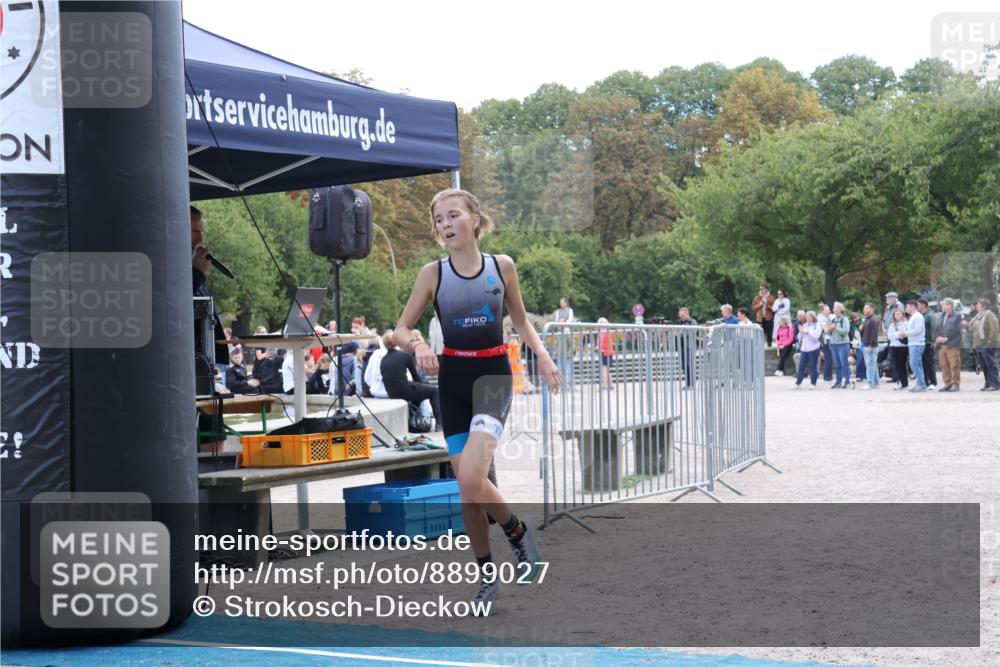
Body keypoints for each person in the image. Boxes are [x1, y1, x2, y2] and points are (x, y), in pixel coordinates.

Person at [392, 188, 559, 614]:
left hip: (492, 377)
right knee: (469, 491)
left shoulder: (501, 267)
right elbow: (399, 329)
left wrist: (542, 356)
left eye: (453, 216)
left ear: (474, 219)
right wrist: (416, 346)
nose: (445, 225)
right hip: (452, 380)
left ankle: (517, 532)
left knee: (469, 479)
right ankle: (487, 578)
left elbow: (519, 319)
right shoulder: (433, 274)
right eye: (439, 220)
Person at [378, 330, 443, 428]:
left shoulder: (383, 359)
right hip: (404, 390)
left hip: (392, 392)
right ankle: (440, 424)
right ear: (396, 342)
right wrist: (425, 386)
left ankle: (412, 419)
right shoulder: (404, 355)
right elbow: (416, 377)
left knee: (420, 391)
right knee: (434, 391)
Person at [191, 206, 229, 367]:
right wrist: (197, 272)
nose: (200, 239)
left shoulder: (196, 271)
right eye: (194, 231)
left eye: (201, 232)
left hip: (203, 360)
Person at [968, 298, 1000, 391]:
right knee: (983, 365)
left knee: (991, 364)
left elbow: (994, 328)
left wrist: (990, 341)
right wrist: (974, 344)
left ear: (984, 306)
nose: (976, 305)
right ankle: (988, 383)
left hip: (988, 344)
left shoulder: (990, 315)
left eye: (978, 304)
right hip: (979, 344)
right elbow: (975, 331)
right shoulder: (979, 316)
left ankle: (995, 384)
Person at [935, 298, 964, 392]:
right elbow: (938, 329)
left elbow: (958, 332)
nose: (942, 306)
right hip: (942, 345)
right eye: (942, 305)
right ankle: (947, 384)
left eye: (944, 304)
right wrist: (938, 338)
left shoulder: (957, 316)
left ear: (950, 306)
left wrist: (947, 338)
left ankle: (955, 384)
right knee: (944, 365)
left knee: (954, 365)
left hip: (952, 345)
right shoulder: (941, 316)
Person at [900, 301, 927, 392]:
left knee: (914, 364)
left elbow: (918, 330)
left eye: (907, 306)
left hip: (917, 344)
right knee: (917, 365)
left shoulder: (917, 317)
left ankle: (921, 385)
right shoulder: (914, 317)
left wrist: (906, 333)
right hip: (914, 343)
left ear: (912, 306)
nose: (906, 308)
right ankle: (920, 384)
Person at [791, 311, 822, 389]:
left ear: (812, 317)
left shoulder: (817, 325)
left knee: (813, 366)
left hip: (814, 349)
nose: (806, 318)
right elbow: (799, 338)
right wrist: (801, 332)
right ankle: (798, 383)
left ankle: (813, 383)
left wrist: (808, 332)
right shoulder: (804, 325)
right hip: (804, 349)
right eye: (806, 317)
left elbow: (816, 338)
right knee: (801, 366)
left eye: (808, 316)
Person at [553, 297, 575, 390]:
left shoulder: (570, 310)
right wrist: (559, 322)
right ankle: (562, 383)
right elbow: (556, 320)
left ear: (566, 303)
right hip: (560, 334)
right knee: (560, 360)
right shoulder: (558, 312)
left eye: (563, 302)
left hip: (567, 333)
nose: (561, 304)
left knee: (567, 361)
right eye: (560, 302)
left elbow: (570, 319)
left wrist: (564, 321)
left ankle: (568, 383)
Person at [828, 302, 851, 389]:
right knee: (837, 364)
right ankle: (838, 381)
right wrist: (829, 329)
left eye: (835, 308)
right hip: (834, 344)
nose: (833, 309)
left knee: (844, 363)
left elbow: (846, 331)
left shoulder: (844, 319)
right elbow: (830, 332)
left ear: (840, 309)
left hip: (843, 344)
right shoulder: (833, 319)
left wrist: (835, 328)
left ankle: (847, 381)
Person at [916, 299, 938, 390]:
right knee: (922, 363)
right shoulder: (919, 315)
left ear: (923, 305)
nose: (917, 306)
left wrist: (934, 340)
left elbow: (935, 328)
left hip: (929, 342)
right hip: (920, 342)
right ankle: (925, 381)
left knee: (929, 362)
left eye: (918, 304)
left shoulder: (930, 315)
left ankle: (933, 382)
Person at [887, 309, 910, 390]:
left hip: (903, 347)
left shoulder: (906, 323)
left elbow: (905, 334)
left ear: (902, 314)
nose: (897, 315)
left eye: (899, 314)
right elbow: (890, 336)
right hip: (894, 346)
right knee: (896, 365)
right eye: (896, 314)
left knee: (902, 365)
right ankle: (898, 381)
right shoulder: (892, 325)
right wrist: (898, 334)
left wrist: (897, 335)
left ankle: (904, 382)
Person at [676, 307, 699, 388]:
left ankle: (691, 383)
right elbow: (678, 333)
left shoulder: (693, 321)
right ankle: (690, 381)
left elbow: (695, 331)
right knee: (683, 365)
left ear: (687, 314)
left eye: (682, 315)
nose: (681, 317)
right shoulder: (681, 323)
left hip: (690, 346)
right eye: (680, 316)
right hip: (682, 346)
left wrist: (683, 331)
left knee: (689, 364)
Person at [860, 303, 881, 389]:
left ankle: (869, 383)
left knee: (870, 365)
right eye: (864, 308)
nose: (865, 310)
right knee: (872, 365)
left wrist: (871, 345)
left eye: (867, 308)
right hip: (866, 344)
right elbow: (865, 333)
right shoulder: (867, 319)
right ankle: (876, 382)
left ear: (872, 309)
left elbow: (874, 334)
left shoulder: (874, 319)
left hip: (871, 345)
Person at [596, 317, 615, 390]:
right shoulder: (602, 332)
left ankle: (606, 385)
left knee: (604, 370)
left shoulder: (606, 332)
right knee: (606, 370)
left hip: (606, 353)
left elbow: (609, 344)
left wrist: (599, 346)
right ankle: (610, 385)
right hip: (605, 352)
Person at [816, 304, 834, 383]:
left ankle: (829, 377)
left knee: (829, 359)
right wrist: (830, 327)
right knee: (828, 359)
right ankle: (827, 378)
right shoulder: (820, 318)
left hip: (828, 340)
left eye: (829, 310)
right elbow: (825, 329)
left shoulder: (827, 317)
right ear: (822, 311)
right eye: (827, 310)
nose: (829, 311)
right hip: (825, 340)